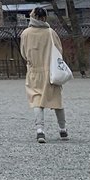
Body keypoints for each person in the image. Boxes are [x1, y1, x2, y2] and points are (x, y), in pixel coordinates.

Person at [20, 7, 68, 143]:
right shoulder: (50, 32)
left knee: (37, 100)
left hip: (34, 70)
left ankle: (40, 130)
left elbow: (24, 53)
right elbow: (59, 50)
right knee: (57, 101)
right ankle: (62, 129)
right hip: (51, 71)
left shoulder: (26, 33)